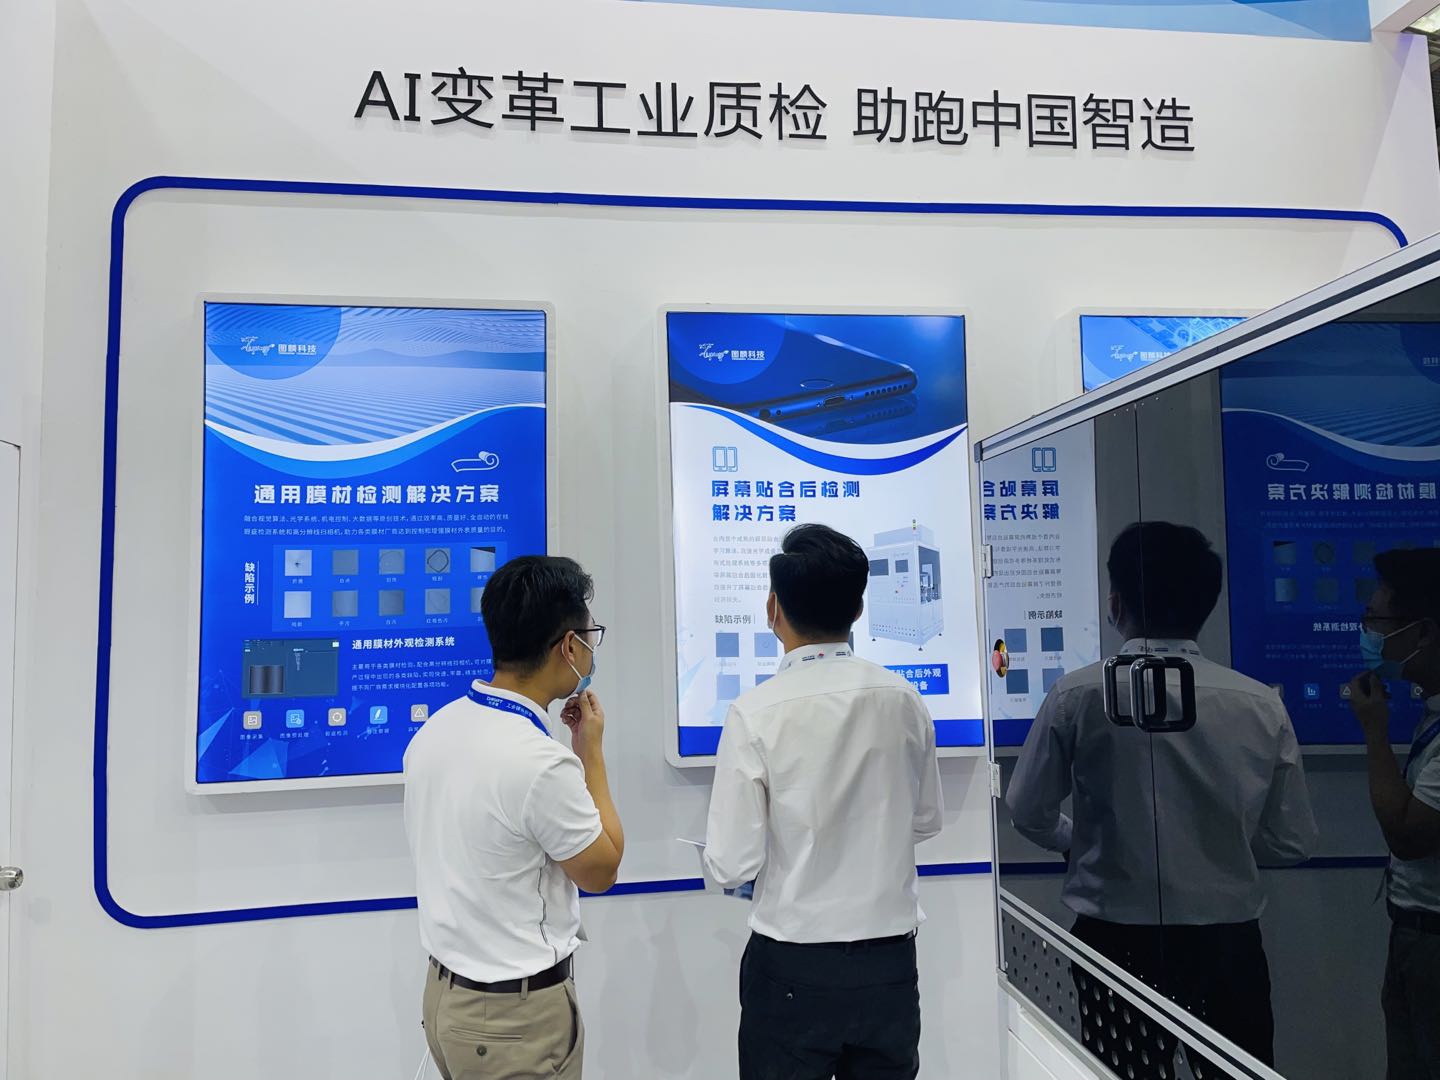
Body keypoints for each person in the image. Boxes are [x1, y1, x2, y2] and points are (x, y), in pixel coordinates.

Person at [1007, 521, 1316, 1073]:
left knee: (1124, 1070)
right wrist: (1222, 849)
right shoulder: (1258, 703)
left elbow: (1027, 808)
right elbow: (1291, 840)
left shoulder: (1078, 693)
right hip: (1227, 941)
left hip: (1116, 938)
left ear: (1115, 602)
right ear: (1207, 605)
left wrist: (1074, 842)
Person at [704, 523, 944, 1080]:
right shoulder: (904, 699)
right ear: (859, 609)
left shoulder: (755, 712)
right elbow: (926, 819)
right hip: (888, 963)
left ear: (773, 609)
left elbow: (731, 863)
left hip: (794, 965)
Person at [404, 555, 624, 1080]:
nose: (590, 650)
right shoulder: (539, 761)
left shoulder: (438, 727)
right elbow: (602, 869)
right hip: (511, 1021)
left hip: (447, 999)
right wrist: (590, 752)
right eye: (589, 636)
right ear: (568, 646)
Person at [1349, 548, 1440, 1080]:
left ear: (1422, 632)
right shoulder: (1432, 710)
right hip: (1415, 935)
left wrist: (1374, 731)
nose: (1368, 633)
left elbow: (1409, 835)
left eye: (1377, 620)